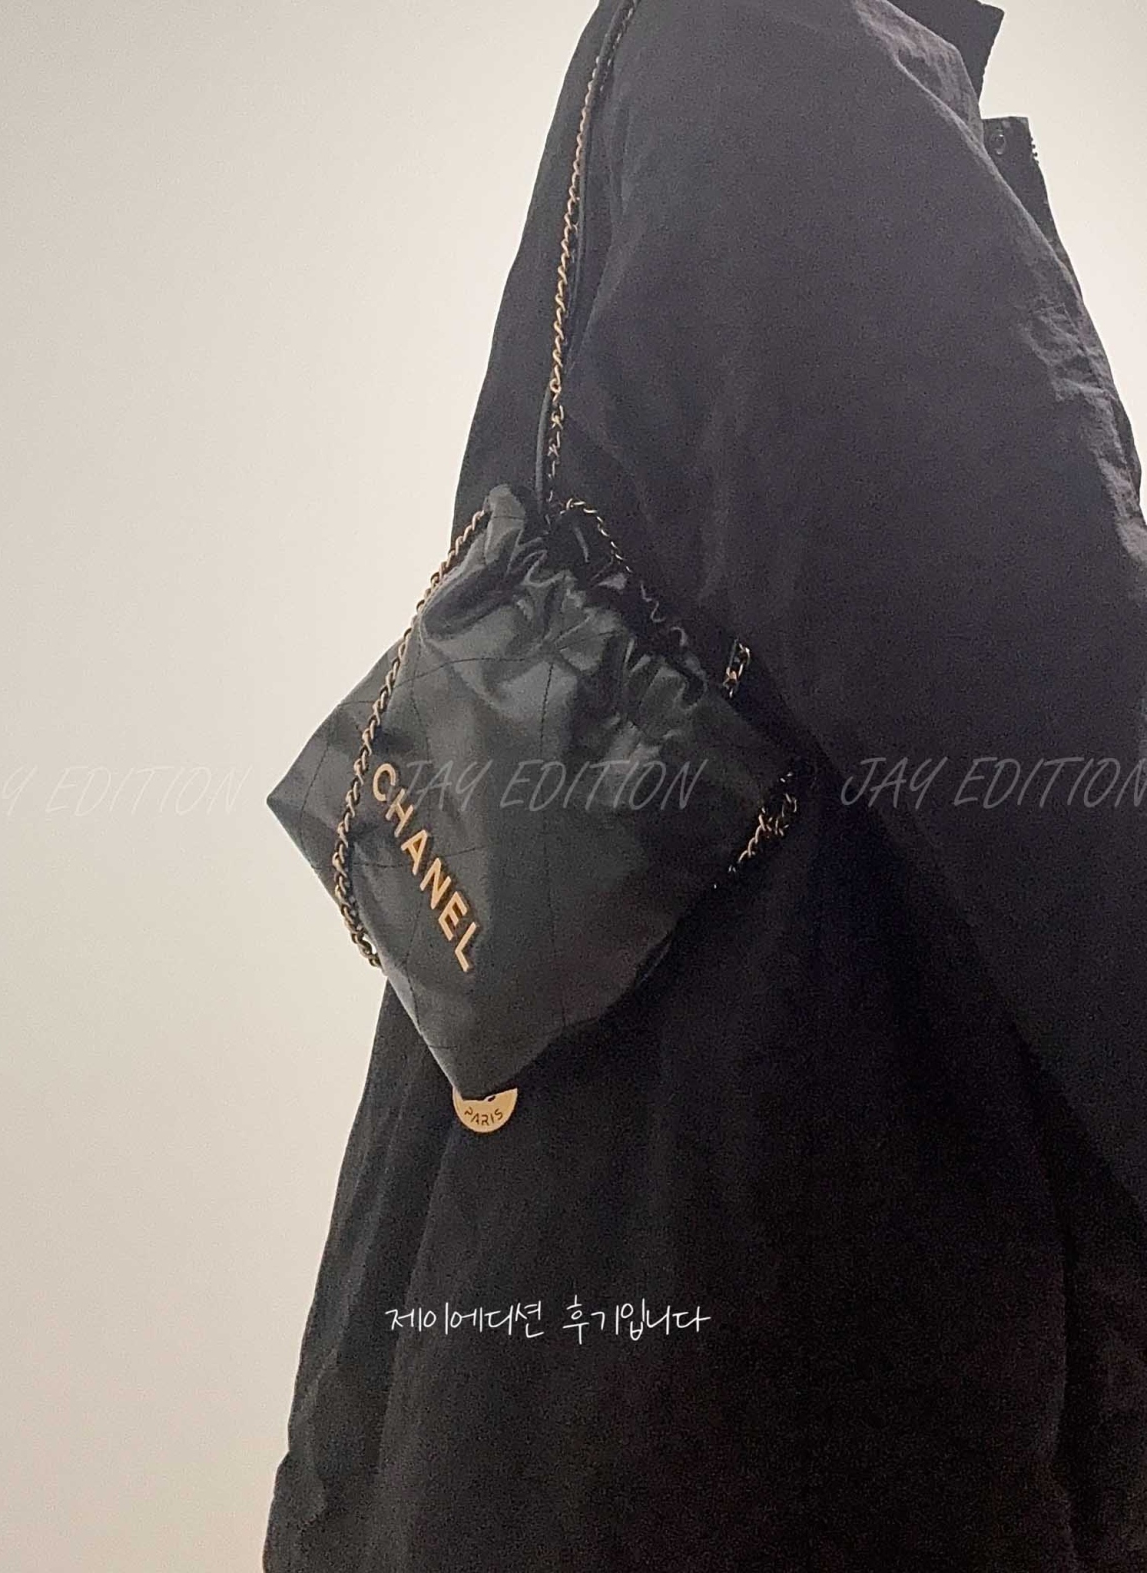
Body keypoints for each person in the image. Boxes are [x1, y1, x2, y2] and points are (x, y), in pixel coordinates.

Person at [263, 1, 1147, 1567]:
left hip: (549, 1381)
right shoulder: (783, 55)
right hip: (795, 1389)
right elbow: (1065, 738)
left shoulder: (700, 58)